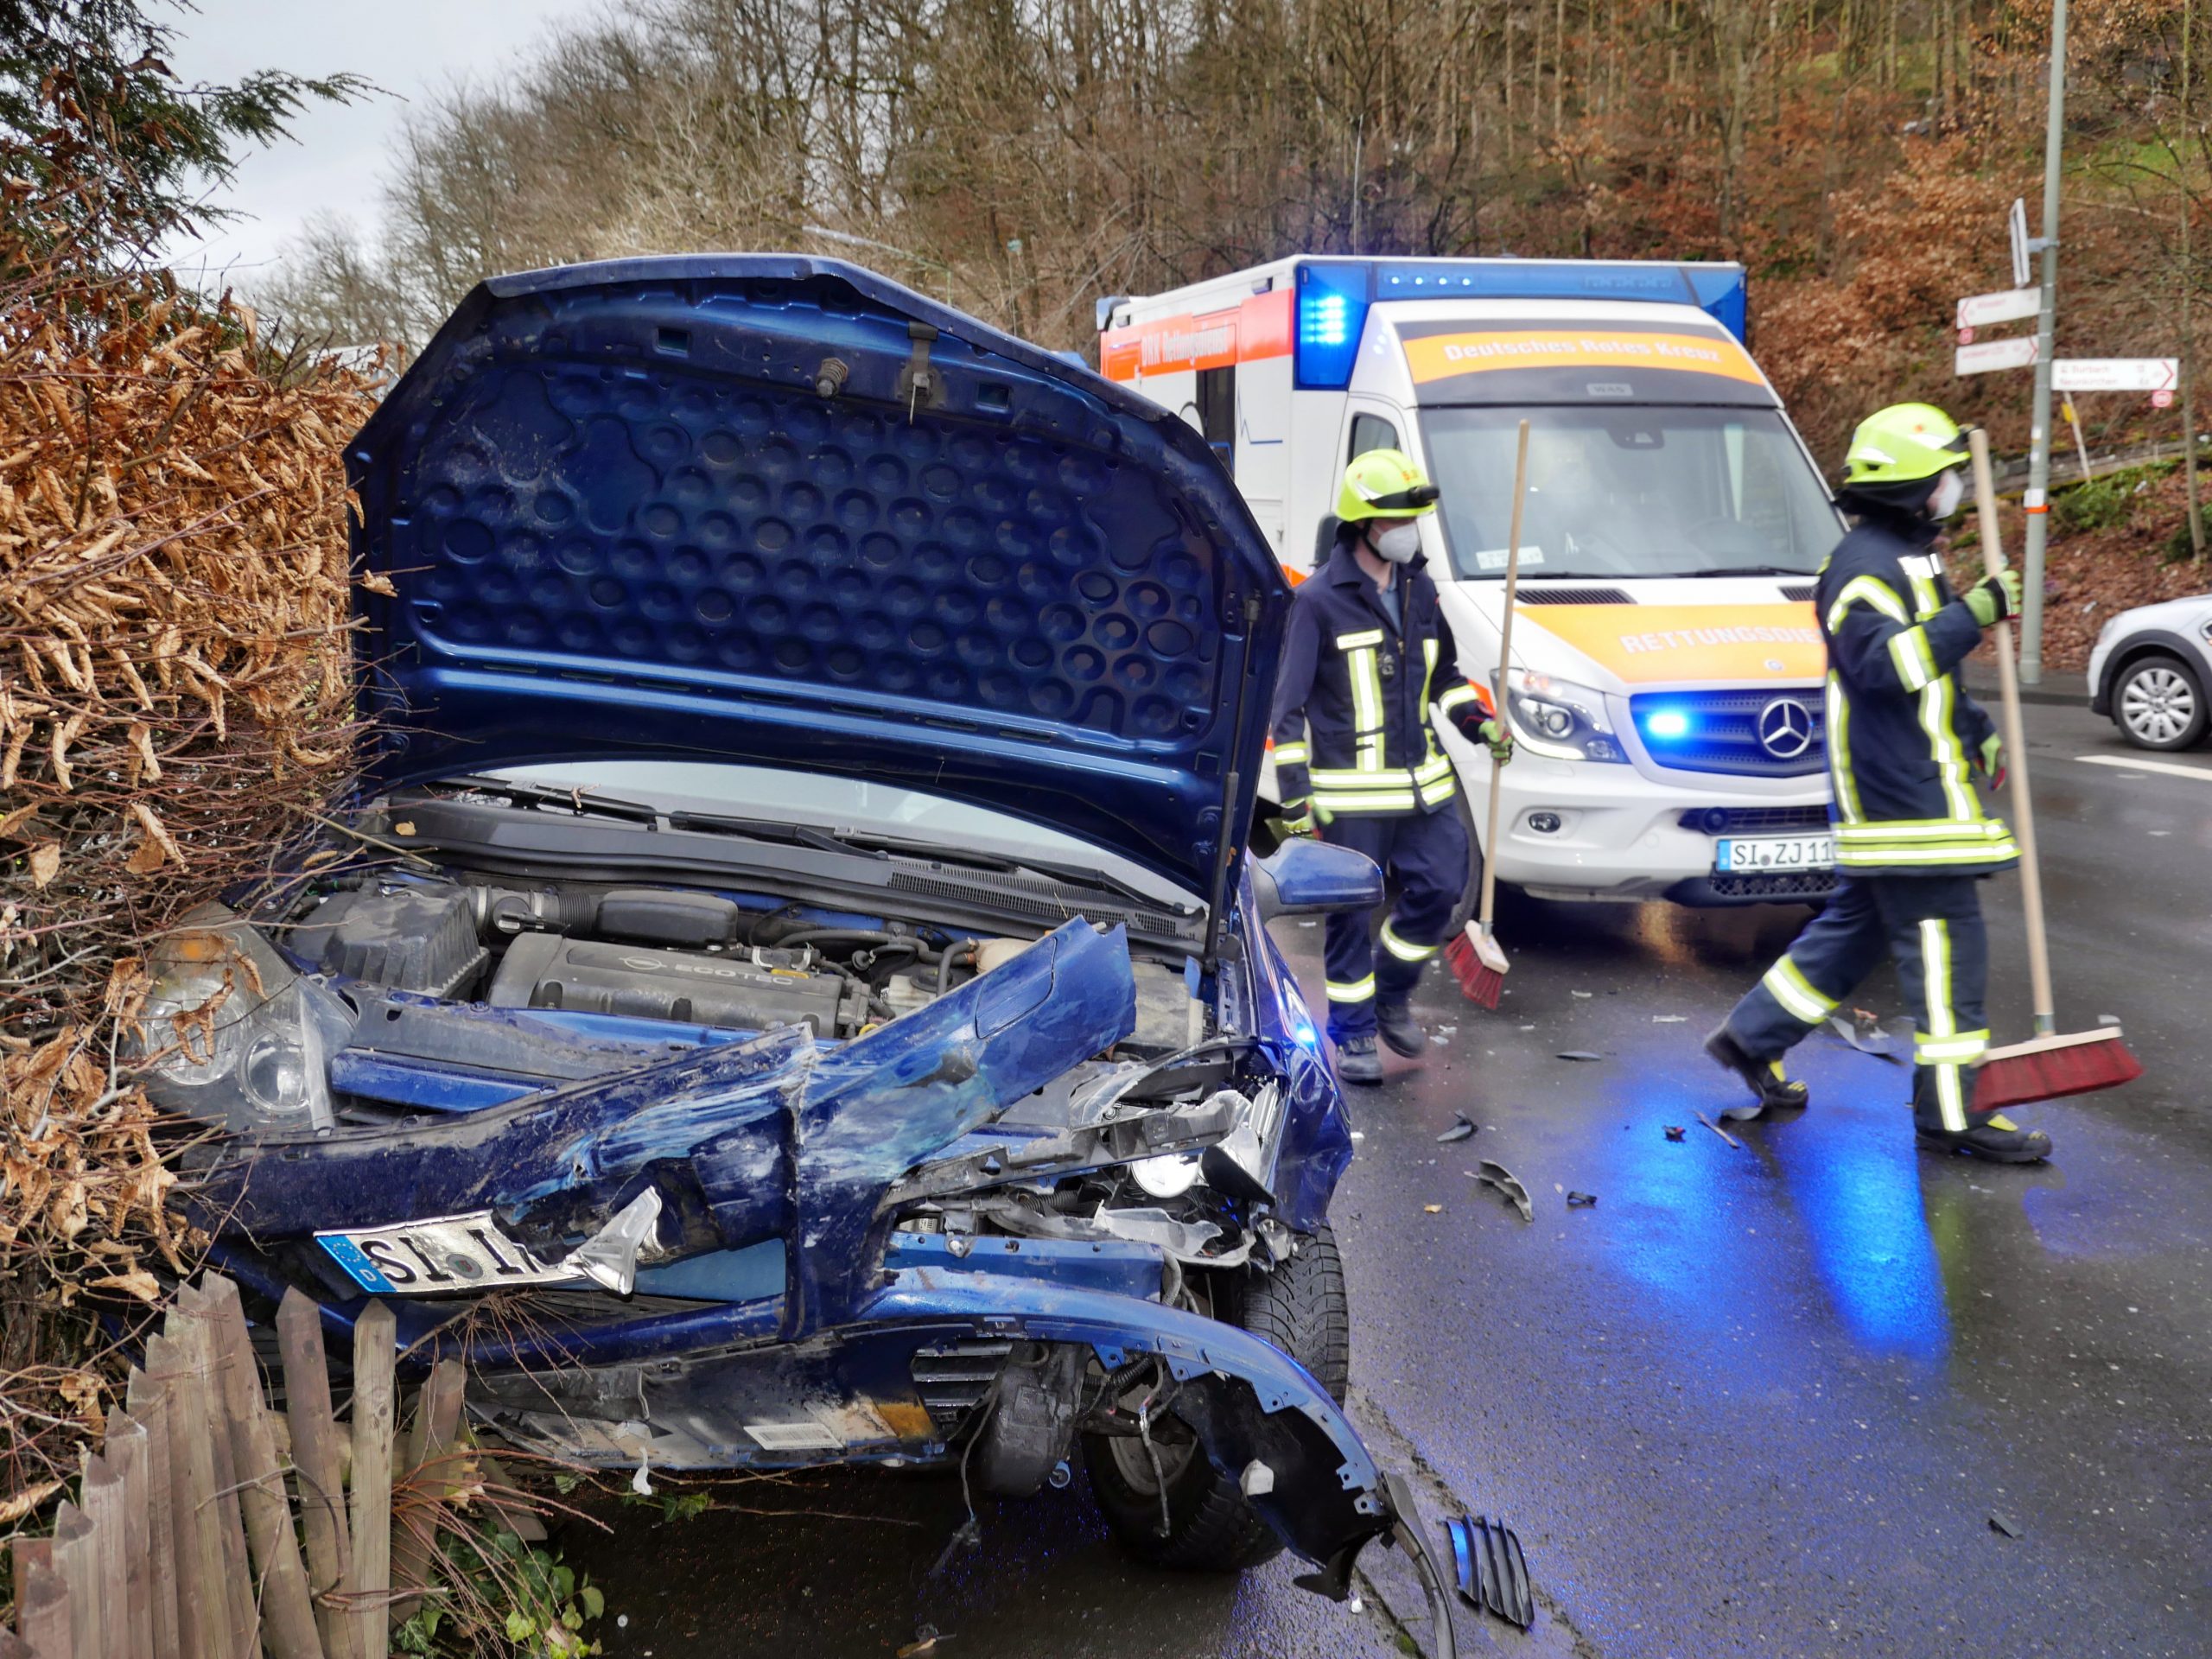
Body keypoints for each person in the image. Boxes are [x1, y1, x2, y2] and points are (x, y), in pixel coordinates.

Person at [1703, 402, 2052, 1162]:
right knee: (1946, 952)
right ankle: (1952, 1114)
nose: (1954, 487)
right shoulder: (1861, 568)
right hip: (1901, 806)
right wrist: (1976, 612)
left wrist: (1975, 727)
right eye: (1944, 476)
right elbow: (1882, 666)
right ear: (1914, 488)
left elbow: (1931, 676)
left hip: (1914, 789)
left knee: (1846, 938)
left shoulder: (1913, 558)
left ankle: (1750, 1039)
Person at [1271, 448, 1514, 1085]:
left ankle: (1391, 993)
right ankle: (1351, 1035)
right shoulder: (1318, 602)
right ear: (1365, 525)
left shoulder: (1420, 589)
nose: (1412, 527)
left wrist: (1479, 724)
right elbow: (1287, 709)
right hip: (1349, 798)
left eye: (1416, 514)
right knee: (1351, 915)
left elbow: (1448, 681)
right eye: (1400, 516)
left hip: (1422, 787)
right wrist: (1295, 799)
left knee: (1440, 887)